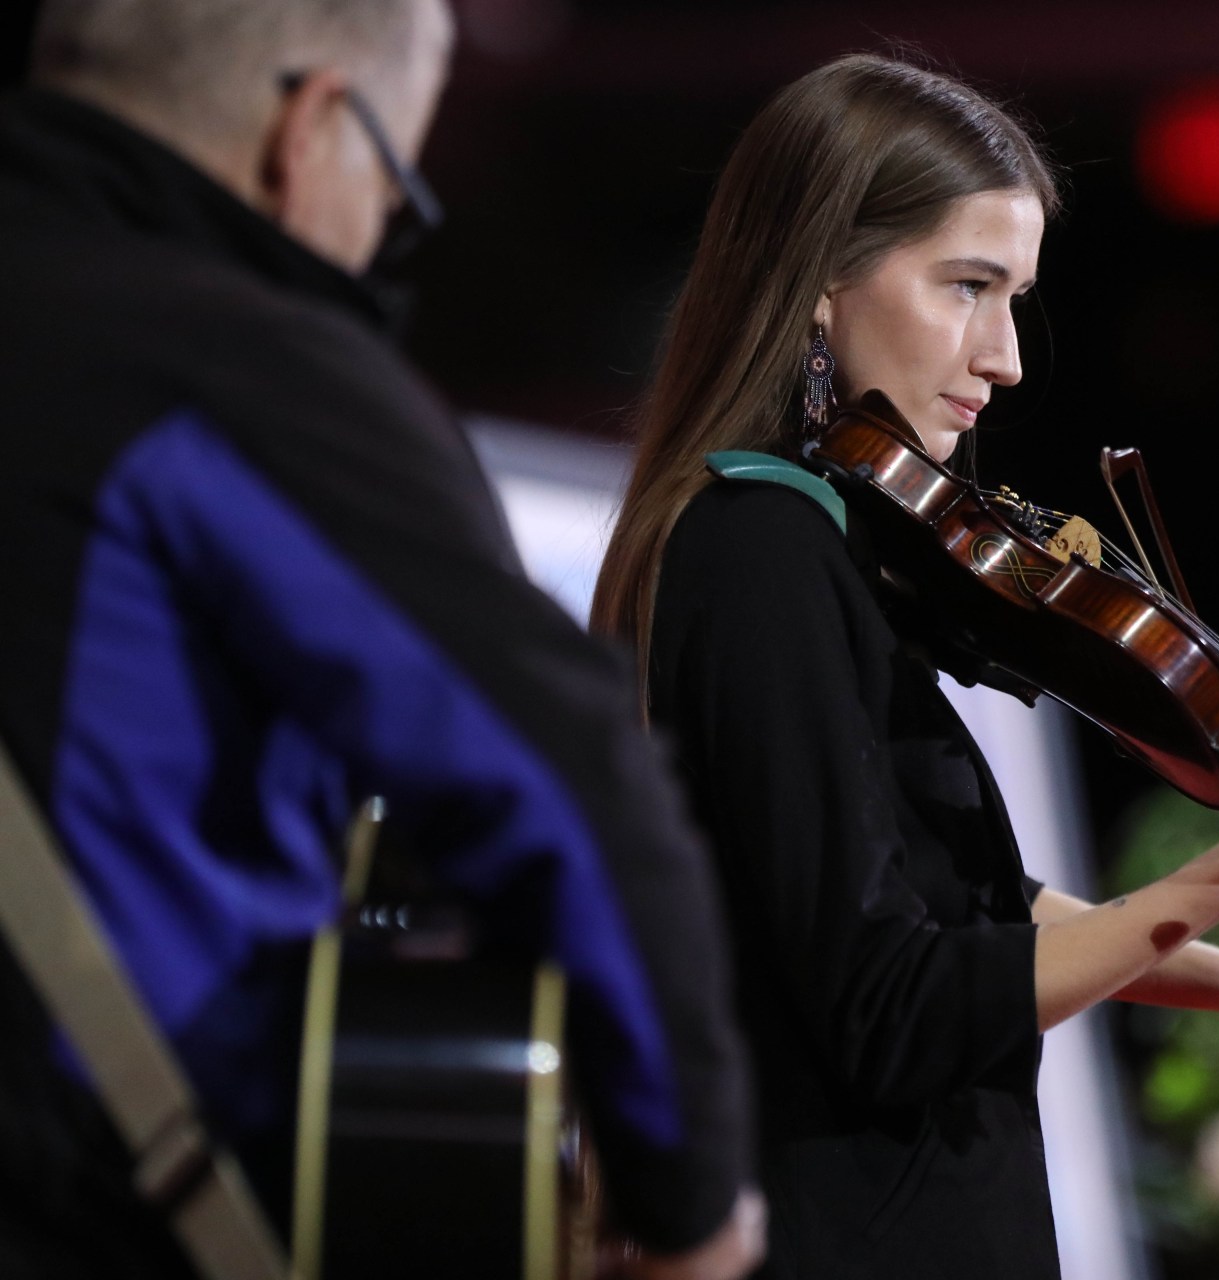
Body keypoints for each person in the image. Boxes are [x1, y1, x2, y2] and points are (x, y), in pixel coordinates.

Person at [592, 53, 1219, 1280]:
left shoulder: (815, 546)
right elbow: (890, 1005)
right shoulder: (758, 547)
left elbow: (950, 901)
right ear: (821, 278)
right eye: (967, 286)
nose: (1006, 358)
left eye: (1014, 297)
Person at [0, 2, 761, 1276]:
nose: (372, 242)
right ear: (312, 128)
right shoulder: (233, 362)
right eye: (394, 188)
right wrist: (692, 1205)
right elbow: (566, 780)